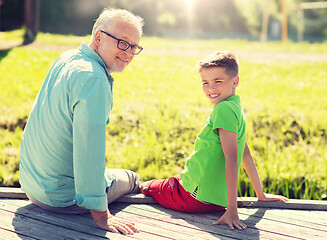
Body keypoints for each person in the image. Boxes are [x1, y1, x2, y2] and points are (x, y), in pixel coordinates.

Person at [19, 9, 144, 235]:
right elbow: (89, 152)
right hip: (59, 199)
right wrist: (101, 215)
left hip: (32, 187)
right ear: (98, 38)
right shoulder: (93, 79)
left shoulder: (68, 58)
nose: (129, 53)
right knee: (132, 179)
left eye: (134, 47)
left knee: (107, 172)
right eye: (123, 43)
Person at [142, 51, 288, 230]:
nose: (211, 88)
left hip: (192, 198)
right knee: (177, 179)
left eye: (218, 81)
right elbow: (246, 154)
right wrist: (260, 194)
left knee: (146, 186)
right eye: (205, 83)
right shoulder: (235, 106)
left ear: (235, 81)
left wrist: (232, 210)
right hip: (215, 200)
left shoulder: (222, 110)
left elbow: (233, 160)